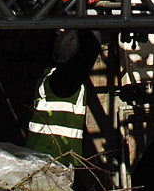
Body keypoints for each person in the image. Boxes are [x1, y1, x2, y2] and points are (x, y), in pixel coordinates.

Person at [26, 29, 101, 168]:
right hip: (53, 159)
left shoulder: (52, 76)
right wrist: (83, 23)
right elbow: (90, 50)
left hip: (44, 156)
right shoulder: (63, 83)